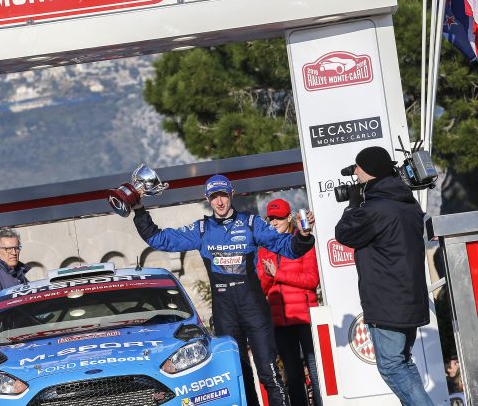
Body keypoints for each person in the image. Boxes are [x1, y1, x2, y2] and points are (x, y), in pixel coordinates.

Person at [132, 174, 315, 406]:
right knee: (240, 378)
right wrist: (139, 210)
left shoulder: (251, 224)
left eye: (223, 196)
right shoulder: (201, 229)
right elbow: (160, 239)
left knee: (269, 375)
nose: (219, 202)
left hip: (254, 310)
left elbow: (287, 247)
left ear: (232, 194)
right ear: (207, 198)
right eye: (214, 197)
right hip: (225, 313)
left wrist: (303, 235)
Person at [335, 146, 433, 406]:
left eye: (357, 167)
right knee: (402, 362)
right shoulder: (407, 203)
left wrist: (353, 204)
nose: (355, 172)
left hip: (388, 302)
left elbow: (344, 233)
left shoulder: (376, 209)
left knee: (391, 366)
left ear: (368, 170)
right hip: (409, 298)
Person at [257, 199, 322, 406]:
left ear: (289, 217)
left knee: (316, 372)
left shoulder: (302, 241)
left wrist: (278, 274)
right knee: (293, 376)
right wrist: (269, 276)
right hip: (280, 323)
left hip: (305, 318)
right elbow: (261, 288)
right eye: (271, 219)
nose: (274, 222)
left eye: (278, 218)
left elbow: (312, 280)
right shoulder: (264, 248)